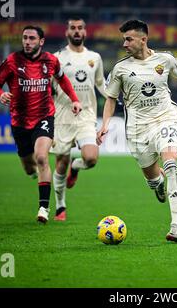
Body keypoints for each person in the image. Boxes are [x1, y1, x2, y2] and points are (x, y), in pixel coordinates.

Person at [97, 19, 177, 243]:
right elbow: (111, 98)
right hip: (137, 128)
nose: (125, 44)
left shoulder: (165, 59)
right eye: (124, 39)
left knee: (170, 164)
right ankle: (157, 185)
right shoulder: (121, 68)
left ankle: (175, 226)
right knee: (153, 177)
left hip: (165, 117)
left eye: (128, 39)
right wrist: (105, 124)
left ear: (143, 39)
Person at [0, 25, 82, 223]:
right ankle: (35, 174)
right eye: (25, 38)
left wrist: (74, 99)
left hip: (44, 117)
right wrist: (0, 94)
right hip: (20, 122)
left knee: (42, 157)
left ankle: (44, 208)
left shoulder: (50, 60)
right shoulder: (13, 61)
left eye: (32, 38)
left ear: (41, 41)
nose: (27, 42)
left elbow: (62, 79)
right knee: (29, 168)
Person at [50, 18, 107, 221]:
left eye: (80, 28)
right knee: (60, 162)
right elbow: (48, 89)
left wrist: (115, 97)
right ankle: (60, 206)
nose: (76, 31)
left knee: (91, 158)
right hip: (62, 117)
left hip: (86, 116)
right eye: (73, 28)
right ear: (66, 32)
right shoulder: (56, 58)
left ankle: (77, 166)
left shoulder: (95, 58)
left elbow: (101, 84)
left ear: (85, 32)